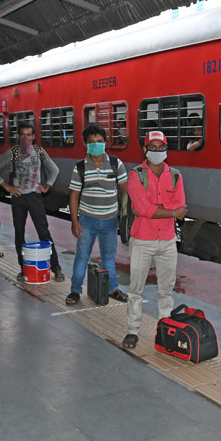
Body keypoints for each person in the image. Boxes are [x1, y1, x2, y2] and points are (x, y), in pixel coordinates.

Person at [122, 130, 187, 349]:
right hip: (142, 239)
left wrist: (154, 209)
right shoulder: (135, 175)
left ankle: (165, 329)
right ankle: (132, 330)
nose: (157, 151)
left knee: (166, 290)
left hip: (168, 240)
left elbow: (180, 207)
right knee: (136, 289)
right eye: (153, 147)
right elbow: (142, 209)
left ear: (166, 149)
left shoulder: (176, 175)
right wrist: (170, 211)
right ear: (145, 149)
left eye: (162, 147)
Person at [0, 121, 65, 282]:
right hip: (18, 198)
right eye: (22, 135)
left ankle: (56, 268)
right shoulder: (12, 153)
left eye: (29, 135)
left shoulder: (39, 152)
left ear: (34, 136)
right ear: (17, 136)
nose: (25, 138)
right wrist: (7, 187)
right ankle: (23, 269)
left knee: (44, 232)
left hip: (34, 196)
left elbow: (54, 170)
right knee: (19, 234)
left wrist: (47, 186)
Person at [67, 124, 128, 305]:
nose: (96, 145)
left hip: (110, 221)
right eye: (91, 142)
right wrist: (74, 221)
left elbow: (124, 191)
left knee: (109, 257)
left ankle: (112, 288)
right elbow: (74, 196)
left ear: (105, 143)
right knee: (82, 256)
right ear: (85, 145)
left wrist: (123, 217)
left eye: (99, 141)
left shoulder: (117, 164)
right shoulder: (80, 168)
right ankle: (75, 291)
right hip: (87, 220)